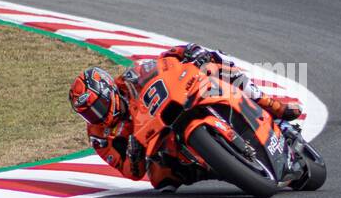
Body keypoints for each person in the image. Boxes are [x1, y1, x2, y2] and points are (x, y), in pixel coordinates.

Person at [68, 43, 304, 190]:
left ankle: (271, 106)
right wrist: (134, 154)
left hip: (182, 100)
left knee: (215, 62)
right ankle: (227, 168)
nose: (96, 116)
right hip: (162, 143)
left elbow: (164, 63)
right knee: (161, 181)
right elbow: (130, 172)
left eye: (97, 107)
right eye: (88, 114)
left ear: (109, 91)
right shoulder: (100, 137)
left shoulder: (129, 80)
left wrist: (189, 53)